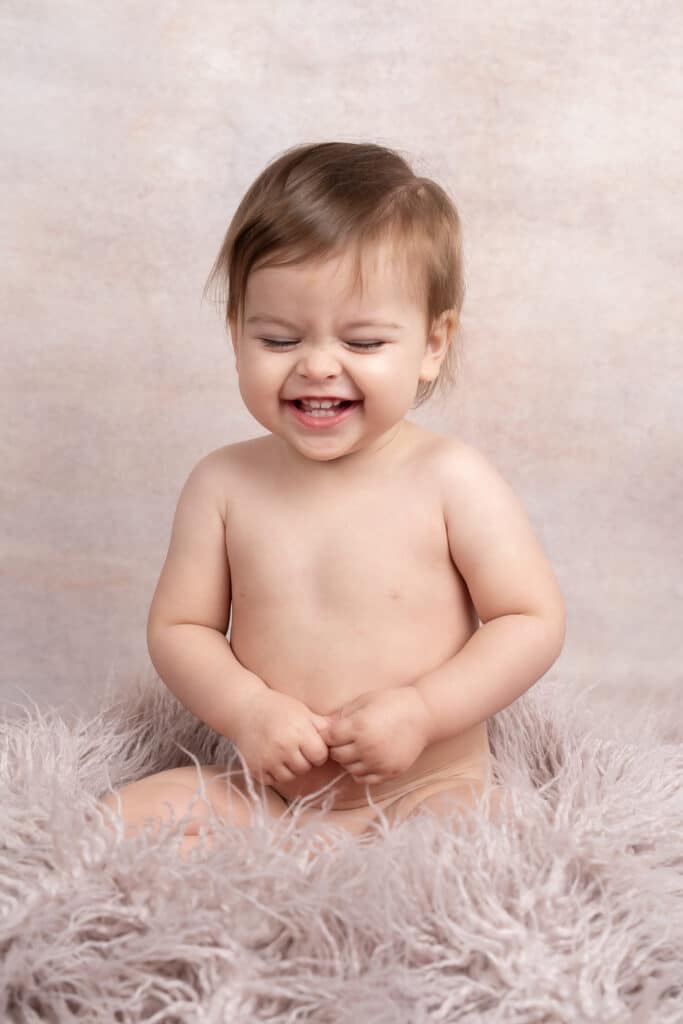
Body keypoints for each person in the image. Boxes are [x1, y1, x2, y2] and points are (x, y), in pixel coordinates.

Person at [99, 141, 566, 859]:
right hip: (275, 795)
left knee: (489, 846)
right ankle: (281, 864)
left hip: (425, 788)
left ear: (431, 345)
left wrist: (421, 709)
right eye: (279, 338)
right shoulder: (223, 484)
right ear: (237, 336)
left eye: (365, 340)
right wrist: (250, 710)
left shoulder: (451, 479)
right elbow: (181, 629)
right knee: (110, 820)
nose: (317, 365)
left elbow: (528, 618)